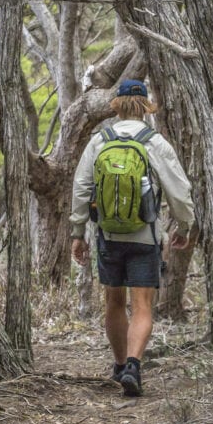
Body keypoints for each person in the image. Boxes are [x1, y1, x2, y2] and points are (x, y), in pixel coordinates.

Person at [69, 79, 196, 397]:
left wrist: (77, 232)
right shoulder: (154, 142)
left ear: (117, 105)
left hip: (108, 235)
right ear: (145, 107)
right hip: (145, 236)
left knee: (113, 302)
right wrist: (184, 226)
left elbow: (82, 187)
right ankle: (134, 367)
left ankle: (118, 366)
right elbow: (179, 191)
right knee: (141, 305)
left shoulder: (100, 140)